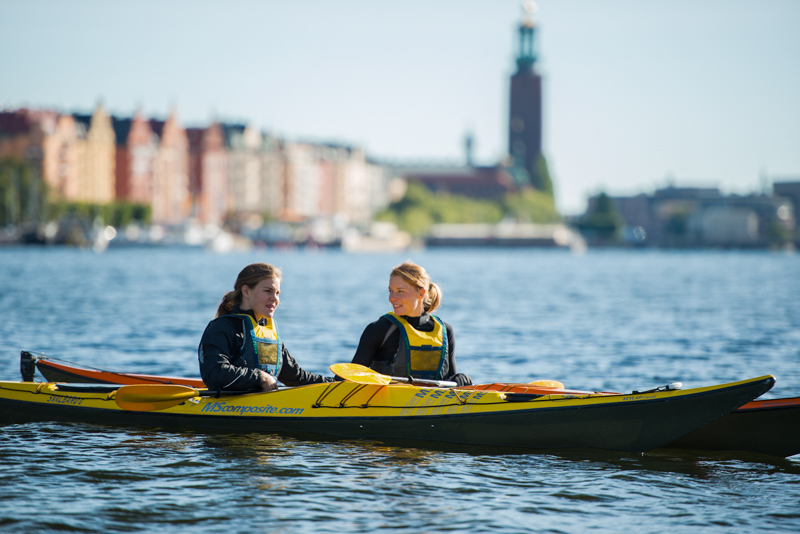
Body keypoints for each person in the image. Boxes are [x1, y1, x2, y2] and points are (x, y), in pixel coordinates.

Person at [198, 263, 333, 391]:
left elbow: (296, 377)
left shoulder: (267, 332)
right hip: (224, 406)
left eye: (277, 293)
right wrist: (260, 377)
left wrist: (336, 383)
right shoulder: (222, 328)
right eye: (268, 291)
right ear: (246, 291)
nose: (275, 298)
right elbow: (215, 372)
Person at [351, 261, 472, 386]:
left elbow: (451, 384)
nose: (392, 298)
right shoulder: (378, 329)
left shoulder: (445, 331)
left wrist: (459, 379)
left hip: (433, 403)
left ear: (421, 293)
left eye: (400, 291)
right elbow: (349, 379)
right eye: (390, 291)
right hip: (388, 403)